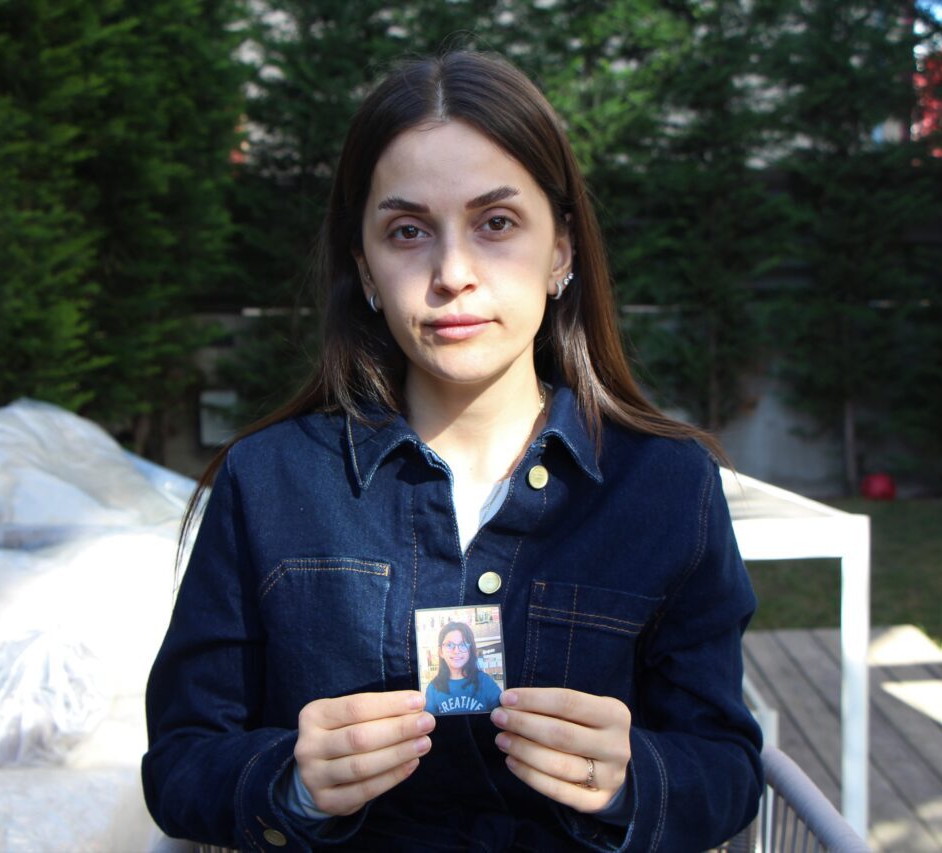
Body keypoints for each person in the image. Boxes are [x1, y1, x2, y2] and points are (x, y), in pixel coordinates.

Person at [142, 50, 762, 852]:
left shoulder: (668, 486)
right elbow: (180, 763)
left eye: (496, 223)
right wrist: (289, 778)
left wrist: (632, 777)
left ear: (562, 249)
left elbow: (727, 766)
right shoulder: (266, 481)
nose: (453, 272)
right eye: (408, 231)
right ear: (365, 268)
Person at [424, 622, 502, 715]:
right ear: (441, 652)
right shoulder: (433, 687)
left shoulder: (485, 681)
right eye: (449, 645)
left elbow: (501, 715)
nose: (456, 651)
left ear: (470, 650)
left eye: (463, 644)